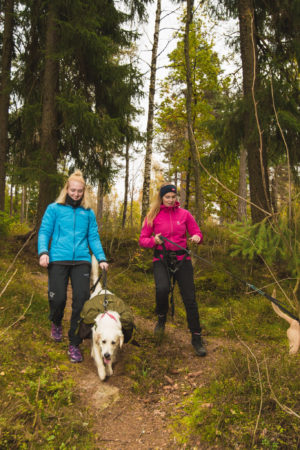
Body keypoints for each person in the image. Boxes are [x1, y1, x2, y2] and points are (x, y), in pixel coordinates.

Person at [38, 170, 108, 363]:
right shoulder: (54, 209)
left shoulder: (88, 213)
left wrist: (101, 258)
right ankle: (56, 321)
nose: (76, 194)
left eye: (80, 191)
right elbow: (44, 231)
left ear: (84, 192)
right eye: (73, 190)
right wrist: (43, 252)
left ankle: (74, 343)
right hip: (58, 258)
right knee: (58, 298)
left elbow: (93, 237)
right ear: (67, 189)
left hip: (81, 261)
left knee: (81, 301)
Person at [139, 183, 206, 357]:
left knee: (189, 298)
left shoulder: (185, 214)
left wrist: (197, 237)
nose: (170, 200)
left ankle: (196, 337)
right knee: (162, 289)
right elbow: (143, 240)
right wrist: (154, 241)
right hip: (161, 258)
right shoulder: (152, 215)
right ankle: (161, 318)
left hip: (182, 258)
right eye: (167, 197)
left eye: (173, 197)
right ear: (161, 197)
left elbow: (197, 233)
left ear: (176, 198)